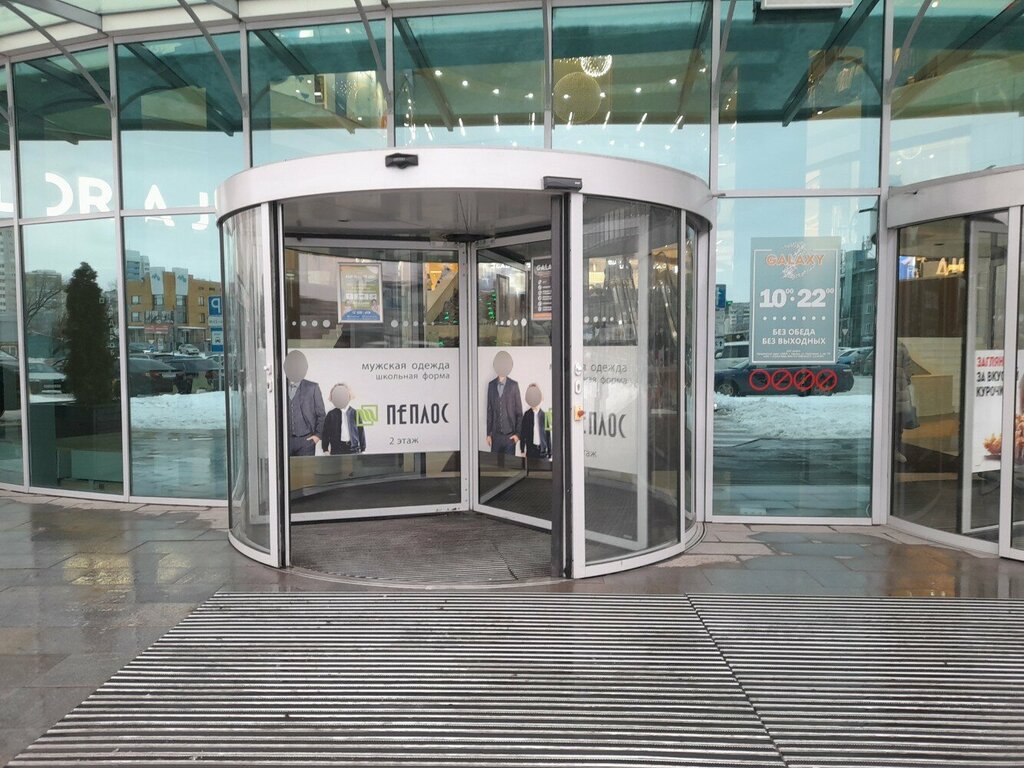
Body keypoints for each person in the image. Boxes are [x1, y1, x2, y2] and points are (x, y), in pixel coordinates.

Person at [284, 349, 325, 457]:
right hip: (284, 440)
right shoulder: (280, 387)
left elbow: (321, 415)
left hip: (306, 441)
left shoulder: (313, 387)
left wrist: (317, 436)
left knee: (306, 468)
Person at [485, 350, 522, 455]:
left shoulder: (514, 385)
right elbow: (489, 411)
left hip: (510, 437)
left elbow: (519, 413)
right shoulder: (491, 385)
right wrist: (488, 434)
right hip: (495, 437)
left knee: (509, 465)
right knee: (495, 465)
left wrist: (517, 435)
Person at [321, 383, 366, 455]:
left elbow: (361, 431)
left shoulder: (355, 413)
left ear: (349, 395)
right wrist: (325, 449)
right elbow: (325, 433)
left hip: (353, 449)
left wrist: (363, 449)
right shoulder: (331, 414)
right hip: (336, 449)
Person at [519, 383, 551, 459]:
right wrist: (522, 450)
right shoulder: (526, 415)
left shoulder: (546, 415)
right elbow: (523, 434)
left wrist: (550, 452)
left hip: (543, 452)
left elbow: (548, 435)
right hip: (531, 451)